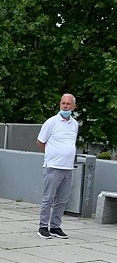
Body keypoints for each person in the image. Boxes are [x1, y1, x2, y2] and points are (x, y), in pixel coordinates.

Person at [36, 94, 79, 240]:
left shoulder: (74, 124)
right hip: (53, 166)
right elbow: (40, 142)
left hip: (68, 167)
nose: (65, 106)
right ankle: (43, 226)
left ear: (73, 107)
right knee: (48, 198)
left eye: (68, 104)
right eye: (63, 103)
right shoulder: (51, 122)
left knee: (62, 200)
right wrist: (50, 154)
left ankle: (55, 226)